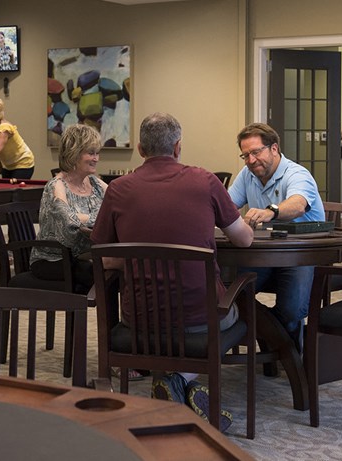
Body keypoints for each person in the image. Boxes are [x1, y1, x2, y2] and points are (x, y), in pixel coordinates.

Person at [92, 112, 253, 431]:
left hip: (139, 322)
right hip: (199, 323)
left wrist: (138, 256)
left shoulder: (118, 189)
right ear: (178, 147)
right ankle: (179, 380)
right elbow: (244, 239)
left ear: (139, 148)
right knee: (241, 302)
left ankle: (173, 383)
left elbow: (104, 258)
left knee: (168, 321)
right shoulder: (206, 180)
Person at [226, 122, 325, 349]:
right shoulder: (247, 174)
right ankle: (273, 343)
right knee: (227, 290)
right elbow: (227, 206)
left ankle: (283, 352)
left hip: (302, 255)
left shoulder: (297, 174)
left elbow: (298, 205)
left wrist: (272, 211)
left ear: (274, 149)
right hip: (265, 255)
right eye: (245, 155)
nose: (251, 160)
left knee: (292, 308)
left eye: (256, 152)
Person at [30, 124, 106, 294]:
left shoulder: (95, 182)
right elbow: (69, 224)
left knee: (126, 268)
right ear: (74, 153)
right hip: (53, 260)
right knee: (108, 274)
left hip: (83, 256)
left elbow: (120, 201)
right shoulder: (57, 186)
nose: (96, 158)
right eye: (91, 153)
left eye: (97, 153)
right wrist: (102, 217)